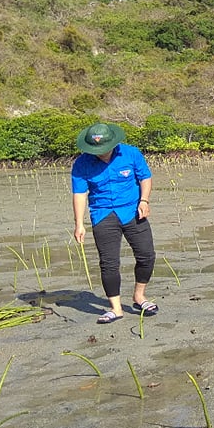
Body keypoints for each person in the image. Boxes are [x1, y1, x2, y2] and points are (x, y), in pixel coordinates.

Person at [72, 122, 158, 324]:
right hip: (103, 214)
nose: (101, 153)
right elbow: (80, 194)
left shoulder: (131, 153)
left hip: (133, 211)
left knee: (147, 255)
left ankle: (139, 296)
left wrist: (144, 200)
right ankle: (116, 308)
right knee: (109, 263)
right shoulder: (82, 163)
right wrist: (79, 224)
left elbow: (145, 177)